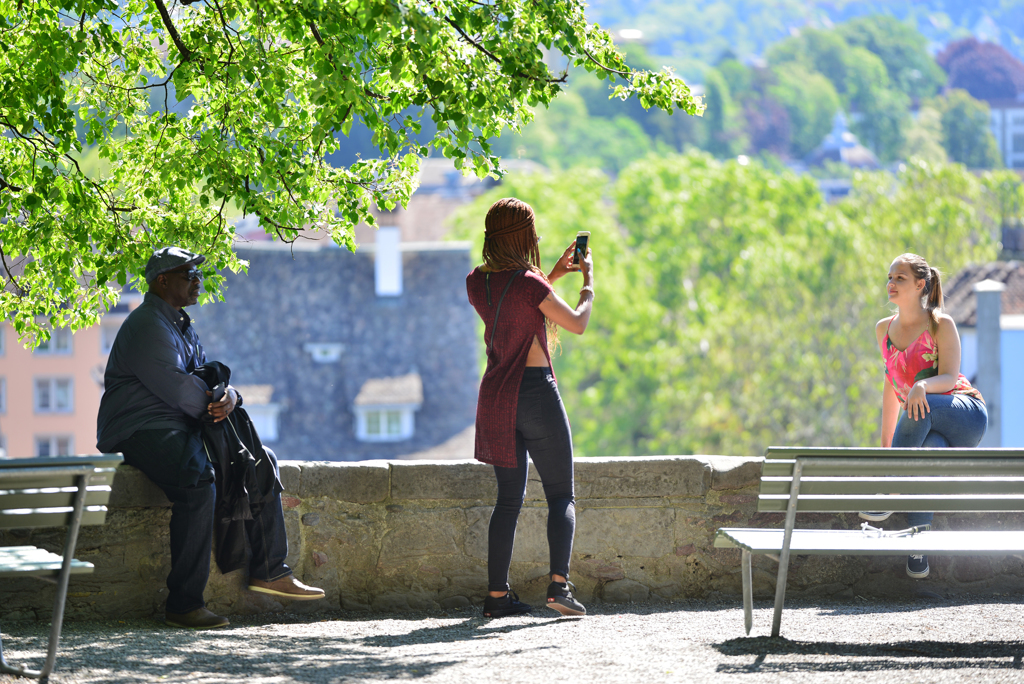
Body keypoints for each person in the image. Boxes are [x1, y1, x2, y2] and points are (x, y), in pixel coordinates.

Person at [97, 246, 324, 629]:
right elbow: (182, 392)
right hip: (140, 428)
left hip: (178, 423)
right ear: (162, 280)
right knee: (197, 480)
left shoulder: (180, 324)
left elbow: (208, 380)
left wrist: (232, 398)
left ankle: (270, 571)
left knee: (259, 458)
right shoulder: (148, 325)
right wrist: (220, 403)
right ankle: (184, 604)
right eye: (190, 275)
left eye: (198, 275)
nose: (198, 281)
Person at [466, 198, 594, 618]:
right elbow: (575, 321)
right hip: (536, 393)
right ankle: (559, 588)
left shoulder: (475, 283)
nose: (537, 239)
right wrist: (587, 283)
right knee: (561, 494)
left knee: (508, 501)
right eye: (533, 233)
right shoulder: (530, 284)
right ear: (523, 237)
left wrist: (552, 273)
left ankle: (497, 597)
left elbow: (518, 302)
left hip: (498, 398)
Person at [863, 253, 987, 579]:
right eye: (889, 277)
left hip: (964, 414)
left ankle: (889, 491)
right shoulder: (882, 330)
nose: (891, 284)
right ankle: (919, 547)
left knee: (922, 405)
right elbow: (891, 385)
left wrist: (921, 385)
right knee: (928, 449)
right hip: (924, 419)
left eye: (899, 278)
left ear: (920, 284)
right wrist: (887, 444)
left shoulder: (940, 324)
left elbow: (949, 377)